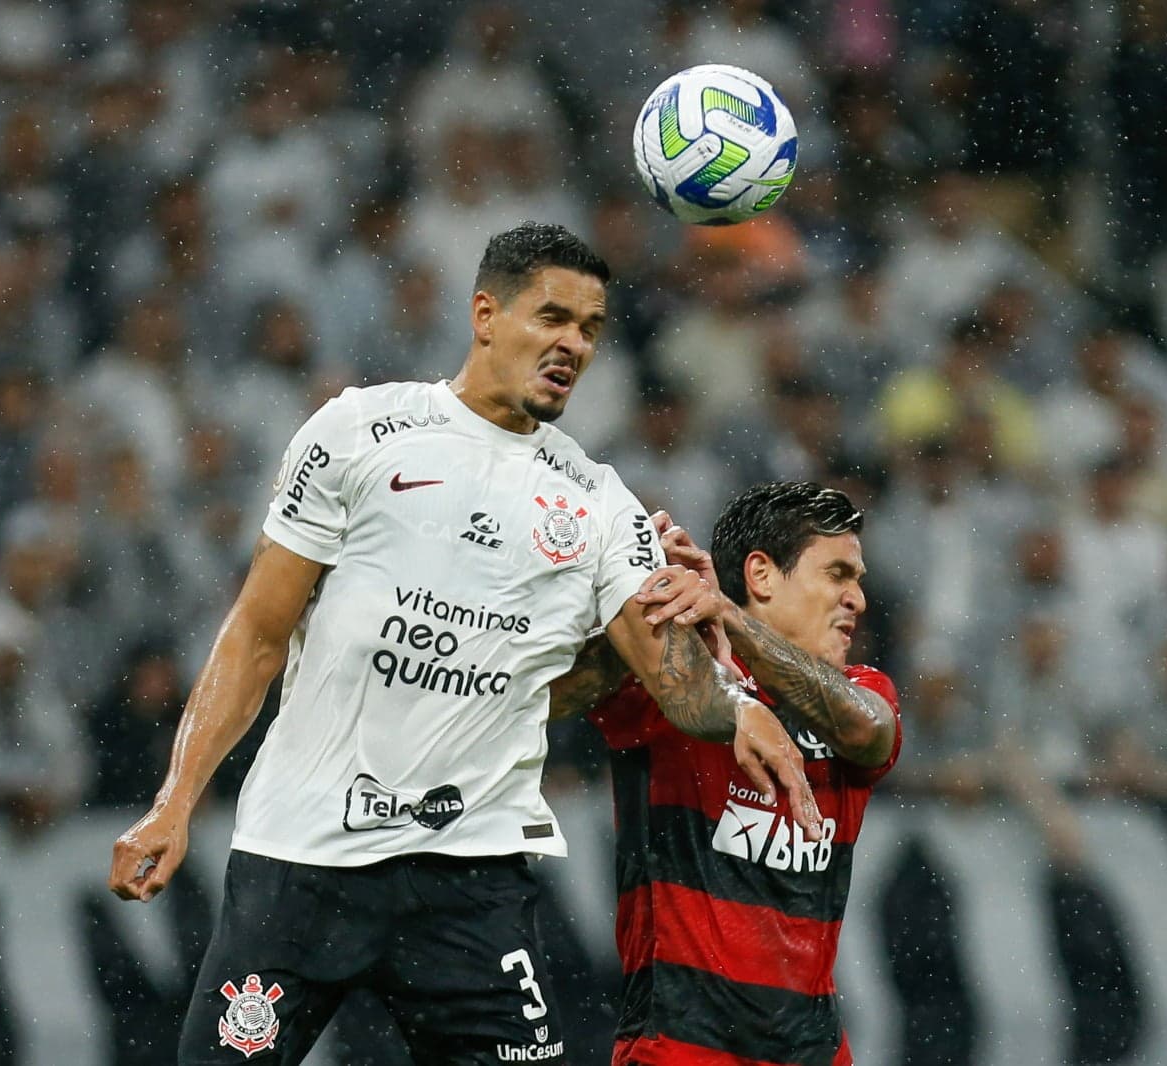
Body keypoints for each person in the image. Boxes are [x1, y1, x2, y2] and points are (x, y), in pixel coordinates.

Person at [106, 222, 819, 1066]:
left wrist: (733, 688)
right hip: (303, 853)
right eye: (552, 317)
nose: (573, 344)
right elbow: (257, 634)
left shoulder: (601, 504)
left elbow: (681, 689)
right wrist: (176, 800)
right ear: (485, 314)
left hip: (471, 877)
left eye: (590, 328)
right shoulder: (358, 431)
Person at [548, 481, 902, 1066]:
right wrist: (629, 597)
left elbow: (870, 732)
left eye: (858, 579)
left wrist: (728, 616)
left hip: (813, 1051)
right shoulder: (674, 681)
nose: (858, 600)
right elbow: (546, 694)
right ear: (761, 575)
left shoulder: (863, 691)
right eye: (838, 574)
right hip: (679, 1048)